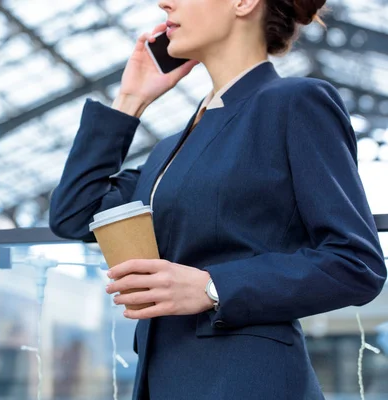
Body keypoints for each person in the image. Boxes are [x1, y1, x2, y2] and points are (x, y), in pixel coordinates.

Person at [49, 0, 387, 398]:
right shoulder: (171, 150)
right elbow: (75, 212)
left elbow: (355, 263)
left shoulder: (296, 101)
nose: (164, 2)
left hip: (247, 382)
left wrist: (213, 288)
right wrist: (130, 100)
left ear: (243, 3)